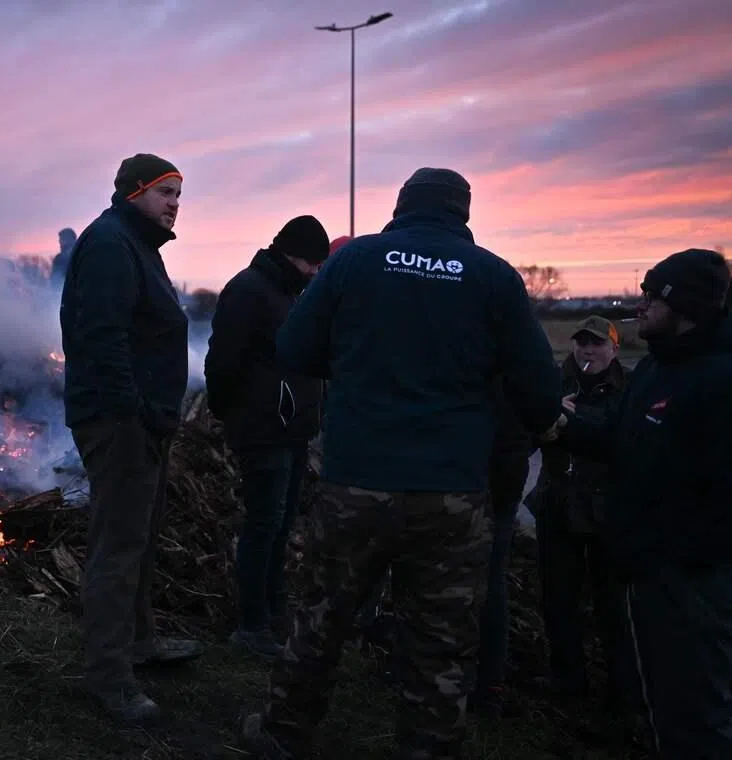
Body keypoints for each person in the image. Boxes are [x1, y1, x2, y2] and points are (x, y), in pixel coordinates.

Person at [238, 168, 564, 760]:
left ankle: (283, 733)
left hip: (358, 481)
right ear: (463, 213)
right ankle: (429, 748)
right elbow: (541, 394)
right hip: (451, 493)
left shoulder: (354, 262)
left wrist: (360, 366)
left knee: (321, 617)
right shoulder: (493, 276)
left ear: (400, 207)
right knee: (440, 640)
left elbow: (293, 349)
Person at [560, 248, 732, 760]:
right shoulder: (658, 367)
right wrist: (563, 425)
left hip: (692, 579)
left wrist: (674, 555)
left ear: (689, 309)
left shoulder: (719, 380)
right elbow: (622, 437)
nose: (641, 305)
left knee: (699, 712)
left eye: (653, 298)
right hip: (649, 570)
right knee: (665, 702)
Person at [59, 153, 202, 725]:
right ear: (134, 192)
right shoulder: (111, 245)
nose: (174, 205)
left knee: (139, 537)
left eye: (179, 196)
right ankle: (109, 678)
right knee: (118, 547)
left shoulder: (137, 244)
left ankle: (138, 644)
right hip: (120, 422)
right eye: (166, 193)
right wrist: (133, 413)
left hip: (144, 420)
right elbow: (103, 338)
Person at [203, 215, 332, 658]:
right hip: (262, 430)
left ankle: (274, 612)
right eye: (310, 261)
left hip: (292, 431)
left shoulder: (291, 293)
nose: (316, 271)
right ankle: (250, 625)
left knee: (281, 525)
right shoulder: (248, 290)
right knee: (263, 524)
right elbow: (222, 363)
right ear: (287, 252)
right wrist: (233, 413)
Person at [529, 315, 632, 710]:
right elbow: (528, 429)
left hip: (609, 513)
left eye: (597, 344)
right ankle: (567, 681)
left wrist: (568, 422)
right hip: (557, 506)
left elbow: (620, 438)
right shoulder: (554, 382)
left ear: (614, 348)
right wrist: (548, 414)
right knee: (558, 600)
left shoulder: (630, 388)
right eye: (582, 343)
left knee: (613, 605)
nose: (588, 350)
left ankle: (624, 690)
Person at [471, 378, 534, 717]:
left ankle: (488, 684)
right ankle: (477, 682)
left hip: (490, 485)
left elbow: (541, 408)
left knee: (490, 583)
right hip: (478, 480)